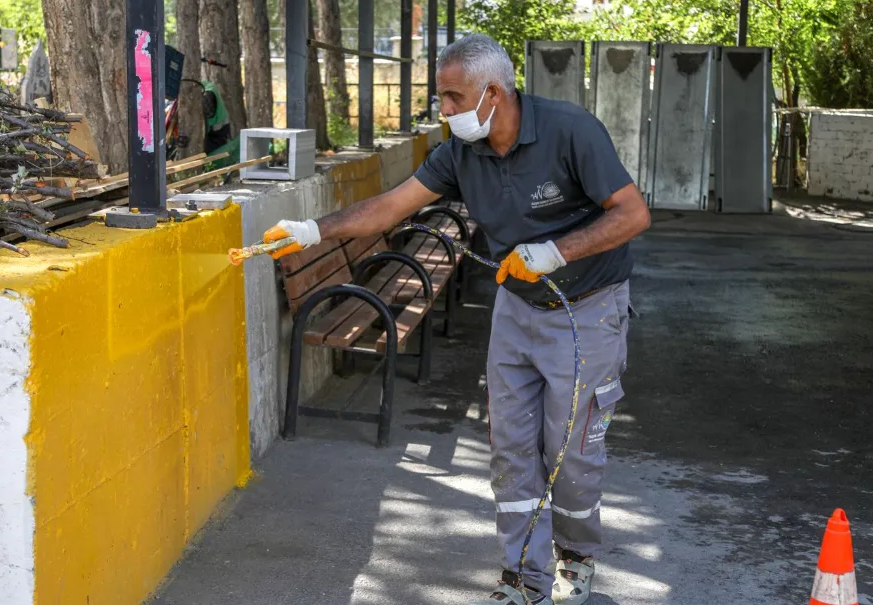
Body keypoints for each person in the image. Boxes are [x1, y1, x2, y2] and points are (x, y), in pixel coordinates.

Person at [260, 33, 650, 605]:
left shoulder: (569, 130)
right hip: (518, 308)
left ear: (493, 92)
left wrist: (556, 251)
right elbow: (391, 207)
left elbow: (632, 214)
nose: (443, 111)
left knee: (571, 454)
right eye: (440, 97)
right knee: (510, 448)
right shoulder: (459, 153)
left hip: (587, 309)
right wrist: (315, 229)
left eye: (451, 97)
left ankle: (575, 555)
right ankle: (524, 579)